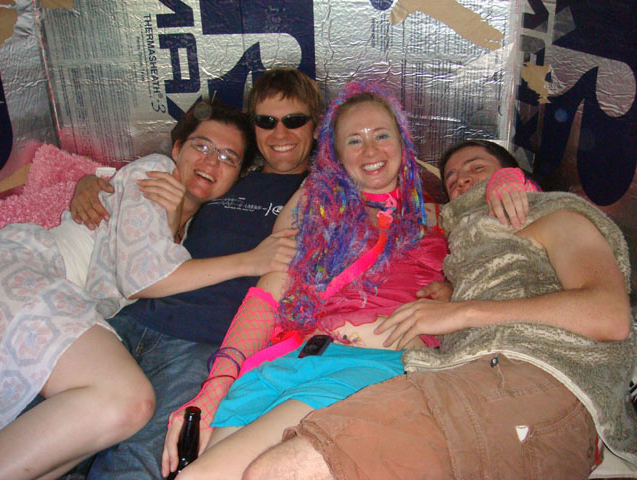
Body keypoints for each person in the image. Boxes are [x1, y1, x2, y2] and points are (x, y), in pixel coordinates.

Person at [241, 139, 637, 480]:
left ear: (513, 177)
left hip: (539, 374)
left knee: (283, 469)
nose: (461, 179)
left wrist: (462, 313)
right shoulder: (464, 251)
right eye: (451, 178)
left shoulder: (554, 215)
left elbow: (609, 315)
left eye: (476, 168)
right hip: (468, 378)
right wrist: (453, 295)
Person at [169, 81, 447, 480]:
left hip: (372, 367)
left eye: (382, 135)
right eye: (354, 141)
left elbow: (512, 229)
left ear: (403, 142)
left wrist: (509, 178)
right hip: (287, 366)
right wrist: (216, 386)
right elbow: (266, 297)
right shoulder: (320, 223)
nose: (370, 151)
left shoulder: (440, 217)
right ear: (335, 155)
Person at [65, 67, 322, 480]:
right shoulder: (230, 176)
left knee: (134, 462)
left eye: (293, 120)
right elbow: (157, 211)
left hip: (202, 344)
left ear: (316, 125)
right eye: (266, 121)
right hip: (133, 318)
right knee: (57, 434)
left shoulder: (320, 192)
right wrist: (91, 183)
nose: (280, 133)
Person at [0, 99, 265, 479]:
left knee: (92, 432)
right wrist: (251, 261)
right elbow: (145, 278)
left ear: (237, 177)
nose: (210, 161)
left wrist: (171, 224)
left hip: (59, 308)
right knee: (128, 400)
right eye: (201, 145)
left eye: (228, 157)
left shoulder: (194, 227)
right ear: (177, 148)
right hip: (27, 274)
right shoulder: (156, 172)